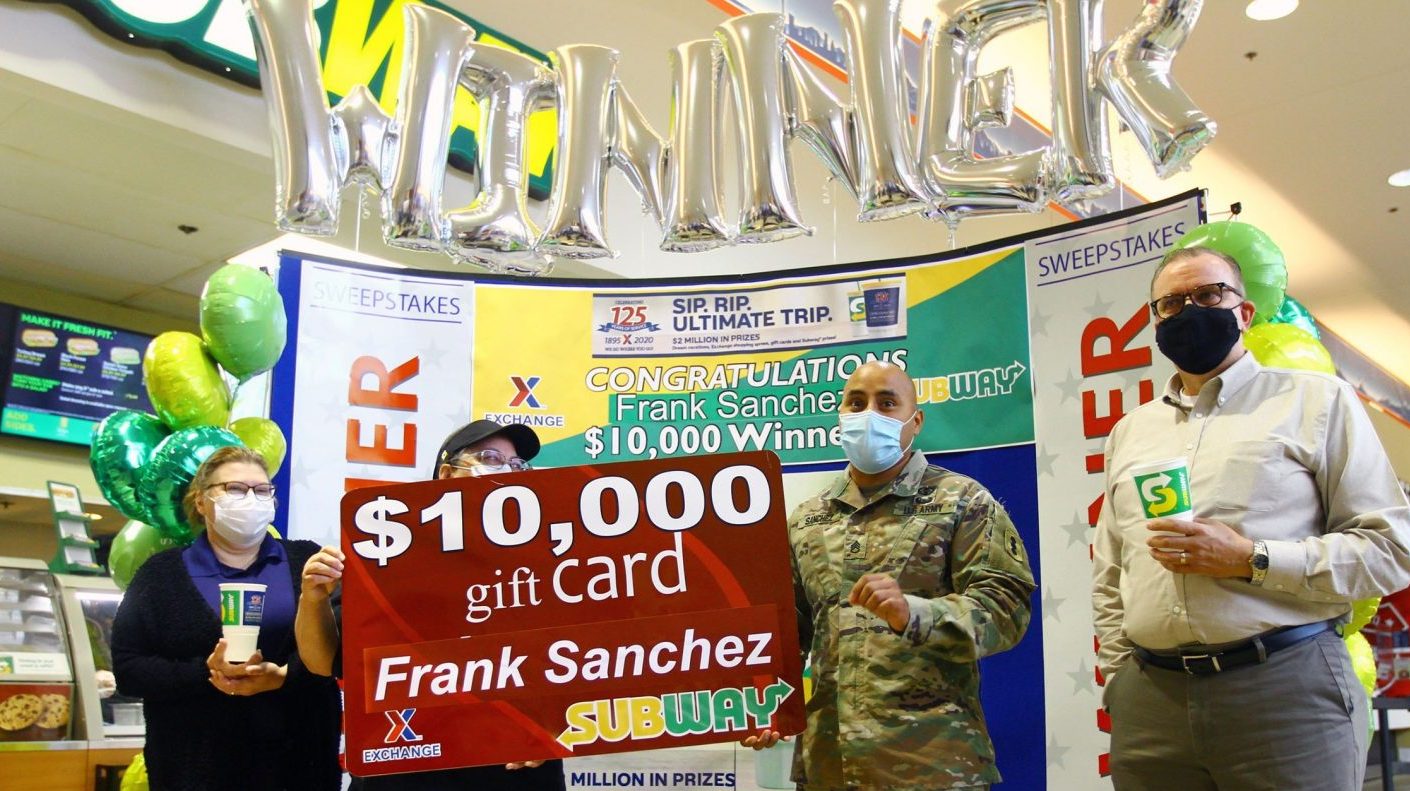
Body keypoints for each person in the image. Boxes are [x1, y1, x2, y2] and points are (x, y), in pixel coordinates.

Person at [1092, 245, 1410, 790]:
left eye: (1208, 294)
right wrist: (1121, 676)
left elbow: (1389, 550)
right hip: (1153, 702)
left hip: (1284, 689)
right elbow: (1112, 569)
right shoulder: (1130, 430)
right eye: (1170, 303)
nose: (1189, 309)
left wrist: (1251, 559)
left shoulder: (1317, 401)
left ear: (1244, 312)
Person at [746, 360, 1036, 790]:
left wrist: (915, 614)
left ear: (914, 421)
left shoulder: (962, 501)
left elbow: (1004, 611)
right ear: (841, 414)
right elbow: (786, 635)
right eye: (856, 402)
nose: (869, 415)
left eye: (887, 403)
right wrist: (763, 701)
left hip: (933, 765)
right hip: (829, 767)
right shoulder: (807, 519)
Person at [296, 419, 566, 791]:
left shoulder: (549, 559)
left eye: (517, 464)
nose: (506, 469)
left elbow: (578, 660)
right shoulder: (384, 552)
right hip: (407, 769)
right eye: (489, 457)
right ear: (445, 474)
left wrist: (552, 722)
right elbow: (323, 661)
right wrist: (313, 599)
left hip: (512, 770)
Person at [112, 446, 340, 790]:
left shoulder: (308, 562)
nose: (251, 499)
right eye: (234, 489)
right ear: (201, 502)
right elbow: (129, 670)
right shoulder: (160, 575)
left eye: (262, 490)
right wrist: (206, 671)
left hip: (299, 763)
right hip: (194, 765)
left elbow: (339, 656)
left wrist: (283, 676)